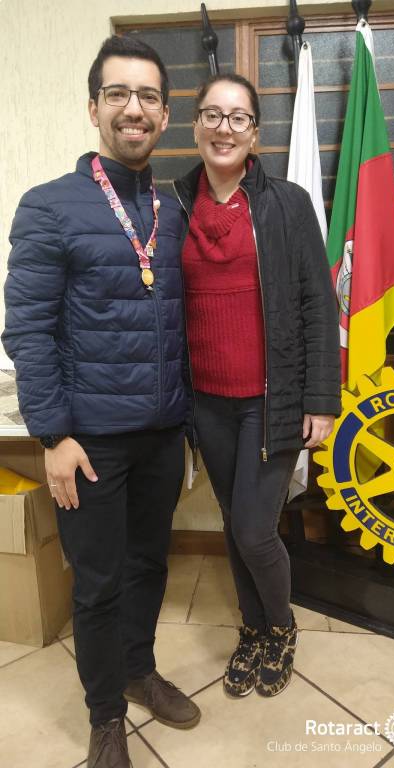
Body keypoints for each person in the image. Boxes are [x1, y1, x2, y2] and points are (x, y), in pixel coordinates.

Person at [2, 33, 200, 768]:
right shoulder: (49, 206)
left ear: (165, 114)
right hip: (89, 442)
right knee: (97, 584)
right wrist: (53, 436)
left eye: (148, 96)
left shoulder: (175, 208)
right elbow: (27, 329)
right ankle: (105, 717)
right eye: (118, 93)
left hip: (162, 434)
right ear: (94, 108)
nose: (133, 108)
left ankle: (139, 670)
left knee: (150, 565)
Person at [174, 73, 341, 700]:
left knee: (253, 529)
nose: (224, 127)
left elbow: (319, 304)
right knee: (231, 521)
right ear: (196, 124)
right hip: (206, 402)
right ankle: (252, 629)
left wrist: (321, 399)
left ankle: (281, 627)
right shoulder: (174, 205)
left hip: (272, 401)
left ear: (255, 133)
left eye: (238, 117)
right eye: (212, 114)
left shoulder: (287, 203)